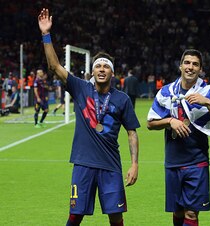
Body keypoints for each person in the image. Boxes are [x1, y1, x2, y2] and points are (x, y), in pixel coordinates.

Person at [38, 8, 140, 226]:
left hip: (111, 165)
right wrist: (46, 34)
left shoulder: (122, 99)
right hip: (83, 164)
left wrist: (134, 164)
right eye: (98, 66)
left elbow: (132, 132)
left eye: (106, 67)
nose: (102, 69)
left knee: (116, 217)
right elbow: (54, 66)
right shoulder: (80, 88)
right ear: (93, 71)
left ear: (112, 73)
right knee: (75, 216)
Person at [147, 49, 210, 226]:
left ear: (200, 69)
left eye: (195, 64)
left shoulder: (207, 91)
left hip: (197, 162)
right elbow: (150, 123)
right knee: (177, 211)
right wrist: (170, 121)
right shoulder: (166, 91)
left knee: (191, 213)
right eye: (187, 63)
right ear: (180, 66)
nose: (190, 67)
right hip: (173, 161)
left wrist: (207, 103)